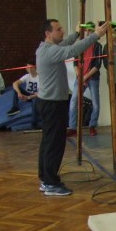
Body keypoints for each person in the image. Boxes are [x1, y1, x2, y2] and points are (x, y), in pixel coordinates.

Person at [36, 18, 109, 196]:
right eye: (58, 29)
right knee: (54, 144)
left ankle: (46, 179)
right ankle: (50, 183)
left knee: (49, 142)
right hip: (53, 104)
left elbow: (66, 44)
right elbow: (72, 50)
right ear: (48, 34)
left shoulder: (46, 48)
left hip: (50, 103)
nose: (62, 31)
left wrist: (76, 33)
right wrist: (95, 35)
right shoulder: (49, 51)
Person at [69, 22, 102, 136]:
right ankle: (72, 127)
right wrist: (79, 76)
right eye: (86, 30)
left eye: (90, 30)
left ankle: (92, 126)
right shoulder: (80, 45)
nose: (88, 32)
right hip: (80, 77)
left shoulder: (98, 46)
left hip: (92, 78)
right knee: (73, 101)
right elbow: (75, 63)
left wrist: (85, 77)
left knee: (95, 103)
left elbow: (97, 65)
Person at [8, 58, 40, 129]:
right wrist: (19, 93)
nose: (29, 69)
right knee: (16, 89)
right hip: (28, 94)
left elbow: (41, 93)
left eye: (31, 67)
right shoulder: (27, 76)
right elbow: (15, 83)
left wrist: (28, 98)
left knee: (34, 101)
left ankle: (34, 123)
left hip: (36, 96)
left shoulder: (40, 77)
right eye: (28, 68)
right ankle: (15, 107)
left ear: (35, 67)